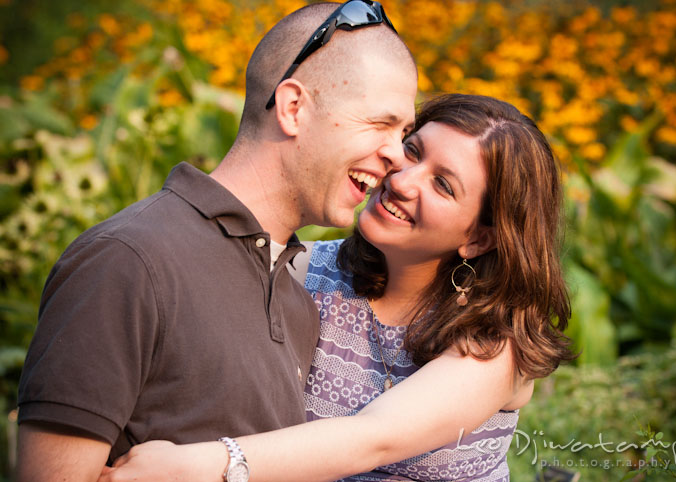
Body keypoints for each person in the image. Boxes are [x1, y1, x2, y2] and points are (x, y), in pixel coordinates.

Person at [15, 2, 417, 480]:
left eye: (405, 133)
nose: (397, 155)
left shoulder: (297, 300)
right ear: (293, 108)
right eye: (379, 124)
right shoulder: (128, 261)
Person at [98, 94, 575, 482]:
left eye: (443, 185)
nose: (403, 181)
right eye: (412, 150)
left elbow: (374, 438)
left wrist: (198, 465)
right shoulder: (307, 271)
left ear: (479, 238)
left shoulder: (497, 338)